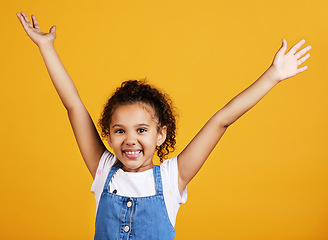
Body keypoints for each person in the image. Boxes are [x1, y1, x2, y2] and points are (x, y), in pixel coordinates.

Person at [16, 11, 311, 240]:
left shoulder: (172, 178)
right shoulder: (103, 170)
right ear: (107, 134)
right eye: (120, 130)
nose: (130, 139)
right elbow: (73, 106)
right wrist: (46, 47)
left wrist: (272, 76)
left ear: (161, 134)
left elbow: (222, 120)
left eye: (141, 130)